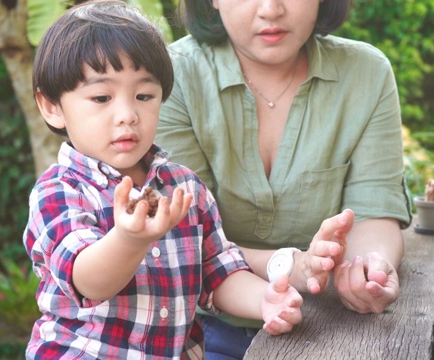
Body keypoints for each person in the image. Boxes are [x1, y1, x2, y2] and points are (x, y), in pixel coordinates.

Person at [20, 1, 348, 358]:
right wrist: (128, 239)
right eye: (101, 97)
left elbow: (219, 270)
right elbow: (88, 282)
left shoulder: (184, 187)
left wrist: (264, 301)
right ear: (52, 106)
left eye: (144, 96)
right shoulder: (59, 191)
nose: (128, 115)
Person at [156, 0, 413, 358]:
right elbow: (187, 240)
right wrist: (294, 266)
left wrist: (368, 268)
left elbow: (374, 209)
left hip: (331, 324)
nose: (271, 9)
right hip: (198, 328)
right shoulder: (171, 75)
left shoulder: (367, 74)